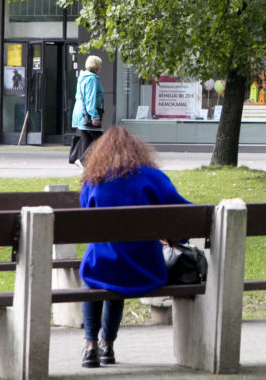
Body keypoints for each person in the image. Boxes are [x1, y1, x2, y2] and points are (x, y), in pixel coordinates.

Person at [77, 126, 191, 367]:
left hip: (103, 266)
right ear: (137, 150)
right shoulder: (152, 176)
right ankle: (107, 345)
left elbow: (85, 213)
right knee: (120, 265)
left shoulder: (94, 179)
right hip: (144, 269)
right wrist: (176, 237)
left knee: (100, 267)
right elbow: (184, 213)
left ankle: (90, 347)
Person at [70, 55, 104, 165]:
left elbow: (78, 96)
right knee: (99, 140)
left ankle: (85, 166)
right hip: (88, 114)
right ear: (97, 66)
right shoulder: (92, 79)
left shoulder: (82, 77)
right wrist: (94, 116)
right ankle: (82, 161)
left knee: (86, 139)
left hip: (80, 113)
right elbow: (90, 99)